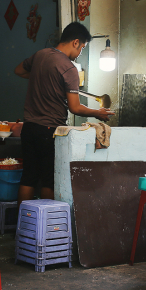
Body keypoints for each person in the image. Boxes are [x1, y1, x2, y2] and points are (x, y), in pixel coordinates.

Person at [13, 22, 114, 205]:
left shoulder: (40, 55)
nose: (80, 53)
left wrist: (40, 75)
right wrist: (97, 113)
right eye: (82, 48)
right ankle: (46, 229)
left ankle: (24, 222)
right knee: (49, 180)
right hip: (49, 129)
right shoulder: (69, 68)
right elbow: (75, 108)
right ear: (75, 42)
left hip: (29, 128)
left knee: (28, 177)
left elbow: (19, 70)